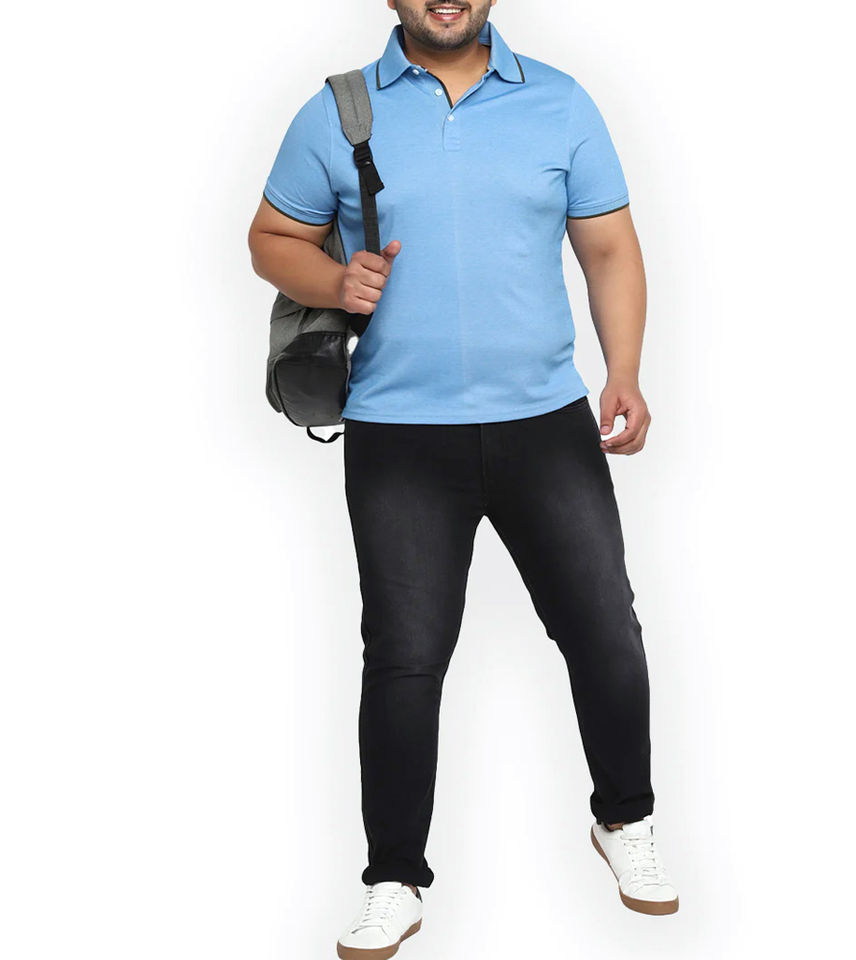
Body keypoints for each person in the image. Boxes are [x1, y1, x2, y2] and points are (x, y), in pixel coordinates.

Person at [248, 2, 678, 956]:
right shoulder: (340, 111)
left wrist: (624, 370)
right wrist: (335, 282)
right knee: (405, 659)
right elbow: (272, 237)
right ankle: (394, 878)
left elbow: (608, 245)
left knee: (604, 629)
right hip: (399, 434)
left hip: (546, 423)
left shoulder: (560, 102)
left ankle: (626, 818)